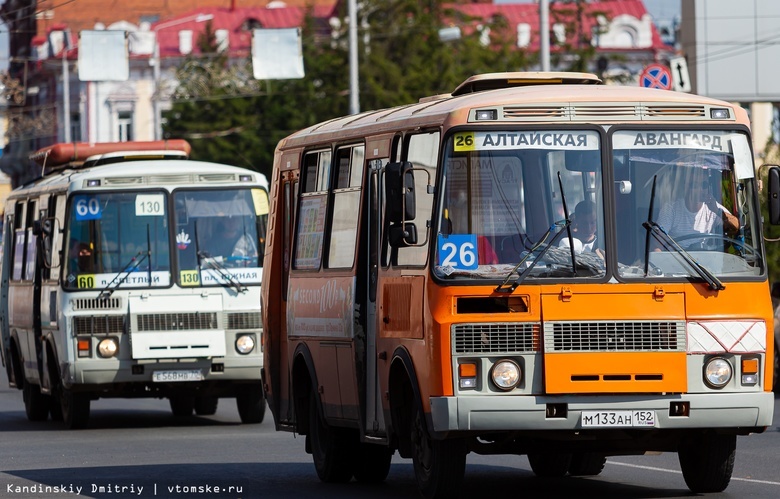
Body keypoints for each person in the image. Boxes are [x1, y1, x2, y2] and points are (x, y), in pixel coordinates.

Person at [655, 176, 739, 248]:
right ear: (685, 188)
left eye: (704, 185)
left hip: (701, 263)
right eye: (694, 185)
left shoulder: (713, 208)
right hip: (675, 261)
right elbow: (657, 242)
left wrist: (717, 211)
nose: (700, 189)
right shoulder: (671, 209)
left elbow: (736, 226)